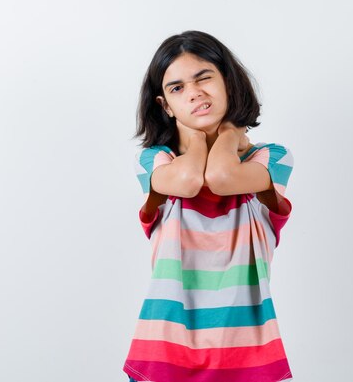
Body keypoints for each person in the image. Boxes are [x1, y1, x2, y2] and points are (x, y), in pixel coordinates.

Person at [123, 30, 294, 382]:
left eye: (204, 79)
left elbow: (221, 177)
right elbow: (189, 183)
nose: (195, 93)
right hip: (164, 353)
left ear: (228, 83)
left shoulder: (271, 158)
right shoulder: (155, 161)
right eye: (177, 88)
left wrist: (230, 134)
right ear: (165, 106)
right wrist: (203, 136)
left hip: (247, 354)